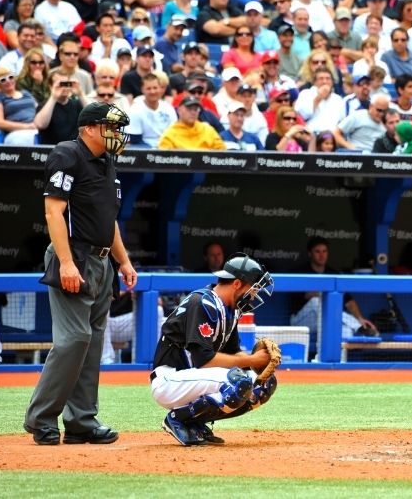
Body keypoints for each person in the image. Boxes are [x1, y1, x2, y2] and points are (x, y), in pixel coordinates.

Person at [24, 102, 138, 446]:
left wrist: (125, 261)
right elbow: (53, 211)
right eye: (110, 127)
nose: (117, 134)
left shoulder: (107, 161)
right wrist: (67, 262)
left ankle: (81, 422)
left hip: (102, 261)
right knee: (74, 340)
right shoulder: (67, 154)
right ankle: (41, 419)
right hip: (74, 256)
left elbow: (109, 220)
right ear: (89, 128)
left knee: (92, 345)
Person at [151, 253, 279, 446]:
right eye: (252, 289)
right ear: (237, 283)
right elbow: (204, 361)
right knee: (240, 382)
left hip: (193, 379)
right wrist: (252, 361)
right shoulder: (202, 303)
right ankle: (178, 419)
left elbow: (232, 355)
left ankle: (195, 422)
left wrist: (258, 361)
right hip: (170, 380)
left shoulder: (231, 310)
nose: (253, 295)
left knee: (263, 385)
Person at [289, 236, 378, 345]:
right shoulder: (301, 271)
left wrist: (359, 318)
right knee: (317, 301)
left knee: (346, 330)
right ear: (310, 254)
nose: (321, 255)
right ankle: (359, 327)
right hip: (302, 322)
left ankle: (341, 360)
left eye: (324, 251)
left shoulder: (333, 273)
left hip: (325, 321)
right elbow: (309, 295)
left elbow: (348, 300)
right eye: (317, 251)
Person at [34, 69, 89, 146]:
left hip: (74, 150)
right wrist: (53, 97)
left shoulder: (77, 104)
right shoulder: (44, 106)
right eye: (61, 84)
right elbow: (40, 125)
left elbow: (96, 117)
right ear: (50, 86)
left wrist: (81, 94)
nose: (64, 87)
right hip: (52, 150)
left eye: (67, 83)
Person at [159, 96, 226, 151]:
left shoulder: (207, 130)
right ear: (179, 110)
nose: (193, 112)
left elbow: (221, 152)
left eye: (196, 109)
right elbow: (164, 160)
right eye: (189, 109)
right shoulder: (170, 134)